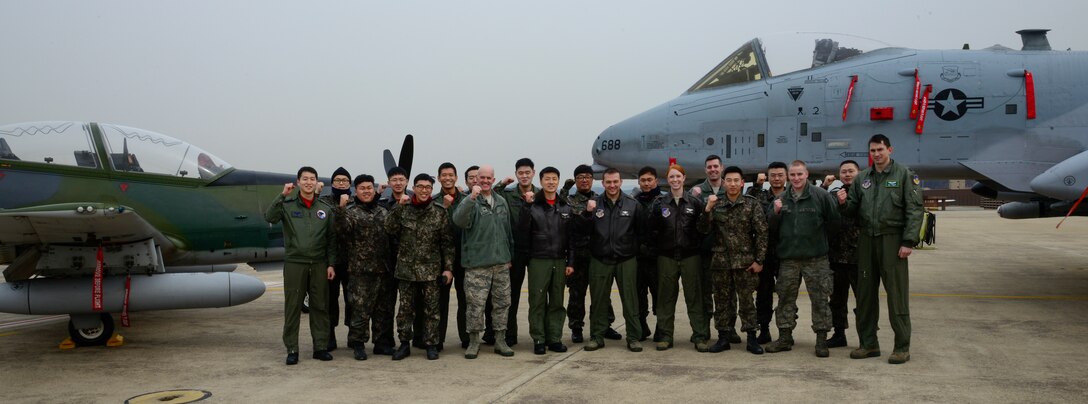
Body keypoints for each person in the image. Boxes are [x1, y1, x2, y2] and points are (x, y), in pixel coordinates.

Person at [837, 134, 923, 365]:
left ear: (890, 150)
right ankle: (868, 344)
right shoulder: (862, 178)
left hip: (892, 240)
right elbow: (852, 211)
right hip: (866, 240)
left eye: (880, 149)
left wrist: (908, 241)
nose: (876, 154)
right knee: (865, 295)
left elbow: (915, 210)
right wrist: (844, 203)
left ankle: (901, 347)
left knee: (897, 295)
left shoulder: (904, 175)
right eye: (873, 150)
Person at [765, 160, 840, 357]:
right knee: (785, 299)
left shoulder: (821, 196)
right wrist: (776, 212)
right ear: (789, 177)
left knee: (820, 299)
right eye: (793, 175)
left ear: (806, 174)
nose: (796, 178)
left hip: (816, 258)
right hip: (789, 259)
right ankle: (784, 337)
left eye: (800, 174)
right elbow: (770, 227)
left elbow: (834, 223)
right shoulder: (781, 199)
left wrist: (821, 246)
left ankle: (822, 340)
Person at [263, 166, 338, 365]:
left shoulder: (325, 209)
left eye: (312, 179)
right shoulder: (287, 205)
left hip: (320, 264)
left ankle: (320, 347)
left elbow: (331, 239)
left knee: (320, 306)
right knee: (293, 307)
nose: (308, 182)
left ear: (316, 182)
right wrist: (281, 195)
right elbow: (269, 217)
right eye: (304, 179)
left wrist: (331, 264)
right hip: (295, 263)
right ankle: (292, 349)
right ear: (298, 182)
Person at [698, 166, 768, 355]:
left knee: (747, 302)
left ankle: (751, 338)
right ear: (723, 182)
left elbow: (762, 233)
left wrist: (759, 260)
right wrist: (707, 209)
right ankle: (723, 337)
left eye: (736, 180)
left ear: (742, 182)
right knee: (721, 301)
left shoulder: (751, 204)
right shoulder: (716, 203)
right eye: (728, 180)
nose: (733, 184)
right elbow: (703, 230)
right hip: (721, 263)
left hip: (745, 263)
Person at [384, 173, 454, 360]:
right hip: (406, 270)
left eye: (428, 187)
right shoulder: (403, 209)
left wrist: (448, 268)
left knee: (432, 310)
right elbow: (388, 228)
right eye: (420, 186)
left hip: (431, 271)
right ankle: (405, 344)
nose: (424, 190)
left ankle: (431, 344)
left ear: (432, 190)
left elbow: (447, 243)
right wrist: (398, 208)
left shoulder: (439, 212)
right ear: (413, 188)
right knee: (405, 310)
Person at [452, 165, 516, 359]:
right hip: (477, 264)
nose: (486, 181)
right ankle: (473, 341)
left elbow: (508, 232)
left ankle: (500, 340)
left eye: (489, 178)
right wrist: (471, 198)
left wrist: (509, 256)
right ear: (475, 179)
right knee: (475, 305)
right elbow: (459, 221)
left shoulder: (501, 202)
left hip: (501, 263)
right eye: (482, 178)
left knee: (502, 303)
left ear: (493, 178)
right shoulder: (469, 201)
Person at [582, 168, 645, 352]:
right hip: (600, 259)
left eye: (615, 181)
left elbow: (642, 233)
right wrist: (587, 213)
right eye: (608, 182)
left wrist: (633, 251)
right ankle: (596, 336)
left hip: (626, 259)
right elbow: (584, 231)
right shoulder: (594, 204)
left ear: (621, 182)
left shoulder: (632, 204)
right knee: (599, 300)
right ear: (602, 183)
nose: (612, 185)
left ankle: (633, 337)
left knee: (630, 299)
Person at [648, 164, 710, 352]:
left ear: (684, 178)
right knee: (666, 298)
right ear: (668, 180)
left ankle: (699, 336)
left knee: (695, 297)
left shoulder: (695, 202)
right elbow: (652, 229)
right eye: (671, 177)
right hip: (666, 257)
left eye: (678, 177)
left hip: (691, 256)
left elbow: (703, 229)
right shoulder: (660, 203)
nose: (675, 180)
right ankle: (666, 336)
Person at [335, 174, 392, 361]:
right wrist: (341, 209)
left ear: (374, 189)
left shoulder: (383, 212)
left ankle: (381, 343)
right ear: (355, 191)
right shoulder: (350, 213)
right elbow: (342, 230)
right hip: (360, 271)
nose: (366, 191)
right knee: (360, 310)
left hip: (382, 270)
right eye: (362, 188)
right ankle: (358, 344)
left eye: (369, 187)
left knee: (382, 310)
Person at [519, 166, 574, 354]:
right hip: (538, 259)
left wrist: (570, 262)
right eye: (547, 179)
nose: (551, 182)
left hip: (559, 260)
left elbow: (571, 238)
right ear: (540, 181)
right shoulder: (532, 206)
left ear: (558, 181)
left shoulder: (566, 206)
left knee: (557, 301)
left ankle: (554, 338)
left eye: (554, 179)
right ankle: (539, 339)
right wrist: (526, 207)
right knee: (537, 300)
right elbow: (523, 232)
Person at [564, 164, 621, 343]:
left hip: (598, 253)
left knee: (602, 293)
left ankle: (605, 325)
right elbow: (572, 228)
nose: (584, 180)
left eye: (588, 176)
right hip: (578, 253)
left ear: (593, 179)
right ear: (575, 180)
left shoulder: (601, 199)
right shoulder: (569, 201)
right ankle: (576, 327)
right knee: (576, 294)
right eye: (580, 177)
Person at [410, 162, 461, 351]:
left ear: (456, 177)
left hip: (461, 256)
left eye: (451, 175)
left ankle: (446, 339)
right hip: (435, 259)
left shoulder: (466, 198)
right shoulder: (433, 199)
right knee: (429, 302)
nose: (447, 178)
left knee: (451, 303)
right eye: (444, 175)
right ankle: (425, 338)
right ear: (439, 178)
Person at [690, 155, 740, 346]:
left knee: (728, 294)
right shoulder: (696, 192)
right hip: (705, 250)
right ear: (705, 170)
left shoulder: (730, 189)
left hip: (727, 252)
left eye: (715, 167)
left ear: (721, 168)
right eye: (709, 167)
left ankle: (730, 329)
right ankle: (703, 330)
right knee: (705, 294)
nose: (712, 170)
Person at [494, 158, 538, 347]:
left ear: (533, 173)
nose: (524, 176)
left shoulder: (541, 194)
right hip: (515, 251)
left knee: (537, 295)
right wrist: (502, 183)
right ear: (516, 174)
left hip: (537, 250)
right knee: (511, 296)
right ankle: (510, 334)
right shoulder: (508, 194)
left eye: (527, 172)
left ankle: (539, 335)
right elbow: (490, 195)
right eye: (521, 173)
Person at [372, 166, 412, 356]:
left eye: (401, 180)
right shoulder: (380, 204)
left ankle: (412, 339)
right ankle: (383, 342)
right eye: (394, 180)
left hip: (408, 262)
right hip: (385, 262)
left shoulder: (413, 203)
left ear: (406, 182)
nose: (397, 183)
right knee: (384, 306)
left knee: (407, 305)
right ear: (388, 183)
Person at [752, 161, 787, 344]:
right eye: (773, 175)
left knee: (786, 294)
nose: (776, 178)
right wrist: (757, 184)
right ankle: (763, 329)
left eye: (780, 175)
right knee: (763, 293)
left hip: (786, 252)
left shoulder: (792, 196)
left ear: (786, 176)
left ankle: (785, 331)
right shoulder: (761, 196)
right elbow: (747, 201)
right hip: (765, 252)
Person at [827, 160, 861, 348]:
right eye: (844, 172)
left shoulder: (866, 195)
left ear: (858, 172)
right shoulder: (833, 195)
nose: (847, 175)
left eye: (851, 171)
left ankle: (866, 335)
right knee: (837, 300)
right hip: (836, 257)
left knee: (862, 300)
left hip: (858, 258)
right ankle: (839, 334)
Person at [322, 166, 353, 352]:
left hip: (351, 261)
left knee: (353, 300)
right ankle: (329, 336)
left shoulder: (356, 202)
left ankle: (353, 334)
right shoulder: (324, 202)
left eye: (345, 180)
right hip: (331, 261)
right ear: (332, 183)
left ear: (350, 184)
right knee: (330, 300)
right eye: (338, 180)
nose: (341, 183)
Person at [632, 166, 661, 342]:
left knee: (659, 294)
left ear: (656, 181)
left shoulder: (663, 201)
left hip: (657, 258)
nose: (646, 183)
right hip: (638, 257)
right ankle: (642, 326)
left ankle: (661, 327)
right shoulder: (633, 202)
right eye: (643, 180)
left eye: (650, 180)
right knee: (638, 294)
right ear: (639, 182)